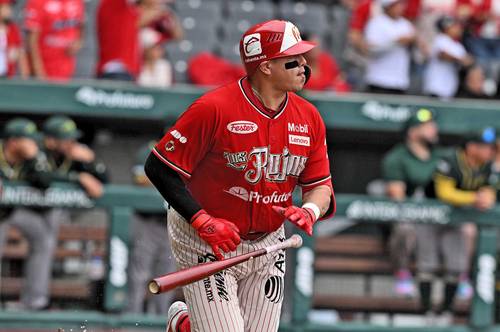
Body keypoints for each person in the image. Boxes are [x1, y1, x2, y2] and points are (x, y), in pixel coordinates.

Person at [144, 20, 335, 332]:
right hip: (205, 238)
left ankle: (187, 326)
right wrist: (202, 221)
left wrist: (310, 210)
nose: (305, 64)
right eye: (294, 58)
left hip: (268, 242)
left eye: (303, 56)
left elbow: (320, 186)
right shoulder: (214, 108)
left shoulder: (309, 117)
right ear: (266, 66)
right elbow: (158, 168)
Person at [421, 127, 497, 324]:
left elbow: (490, 190)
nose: (490, 151)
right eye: (485, 147)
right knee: (427, 265)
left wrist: (487, 197)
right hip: (430, 215)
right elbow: (444, 193)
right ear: (471, 147)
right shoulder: (450, 159)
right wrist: (474, 198)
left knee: (455, 266)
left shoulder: (487, 165)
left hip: (457, 219)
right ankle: (425, 314)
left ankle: (446, 312)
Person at [382, 108, 443, 298]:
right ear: (412, 132)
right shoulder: (397, 157)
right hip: (407, 217)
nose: (434, 129)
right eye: (427, 126)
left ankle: (460, 276)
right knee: (405, 228)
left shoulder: (441, 157)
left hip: (437, 217)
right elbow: (398, 197)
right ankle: (402, 273)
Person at [0, 118, 60, 310]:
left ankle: (35, 300)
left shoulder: (32, 157)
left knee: (44, 239)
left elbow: (46, 181)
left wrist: (35, 157)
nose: (34, 144)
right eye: (28, 140)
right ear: (13, 141)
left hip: (13, 211)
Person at [126, 141, 176, 314]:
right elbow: (140, 179)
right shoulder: (148, 150)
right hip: (146, 221)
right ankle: (133, 321)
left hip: (170, 224)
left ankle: (162, 320)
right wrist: (170, 180)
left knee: (167, 277)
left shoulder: (181, 150)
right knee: (139, 274)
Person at [42, 115, 108, 197]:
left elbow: (105, 181)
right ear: (50, 141)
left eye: (73, 138)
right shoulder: (39, 151)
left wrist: (92, 162)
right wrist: (77, 178)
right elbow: (43, 177)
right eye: (66, 139)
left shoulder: (73, 154)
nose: (72, 142)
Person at [364, 0, 417, 94]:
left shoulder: (406, 24)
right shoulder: (376, 23)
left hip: (400, 81)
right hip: (379, 80)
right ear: (387, 6)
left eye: (401, 4)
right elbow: (372, 50)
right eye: (396, 5)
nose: (401, 7)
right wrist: (395, 42)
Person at [24, 0, 84, 80]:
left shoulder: (77, 2)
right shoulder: (38, 2)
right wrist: (39, 73)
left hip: (67, 71)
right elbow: (31, 42)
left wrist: (78, 42)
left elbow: (80, 25)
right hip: (43, 70)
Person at [423, 15, 474, 99]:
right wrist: (460, 59)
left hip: (450, 87)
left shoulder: (458, 45)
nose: (458, 29)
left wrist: (466, 60)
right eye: (454, 26)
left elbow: (468, 62)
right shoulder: (440, 39)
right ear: (446, 28)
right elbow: (443, 55)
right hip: (435, 86)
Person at [0, 0, 29, 78]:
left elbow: (20, 55)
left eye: (10, 7)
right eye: (6, 7)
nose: (9, 10)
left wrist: (25, 78)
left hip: (6, 76)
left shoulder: (13, 29)